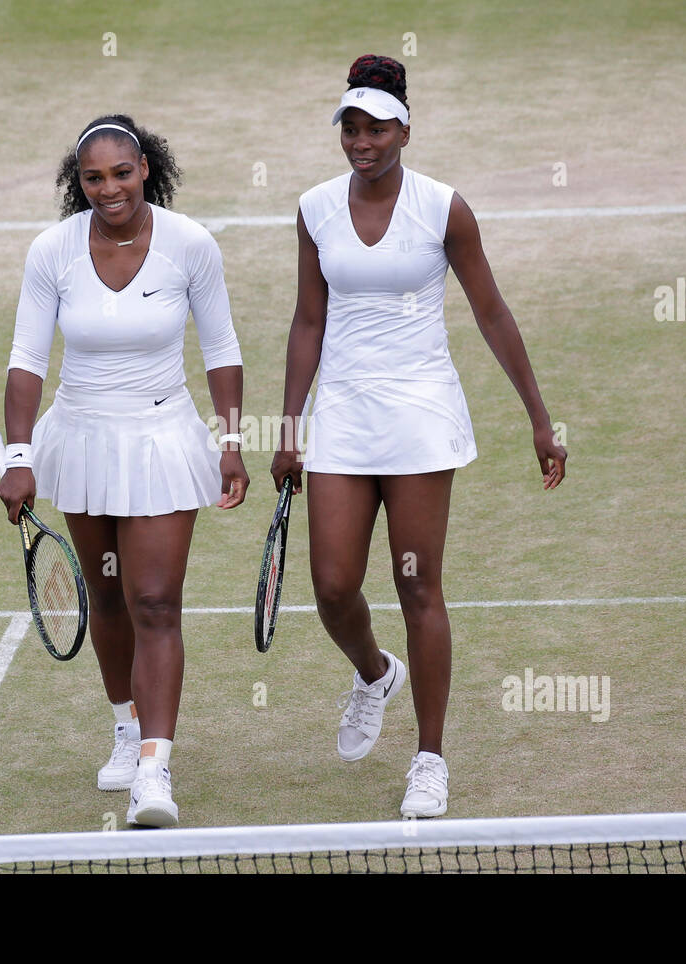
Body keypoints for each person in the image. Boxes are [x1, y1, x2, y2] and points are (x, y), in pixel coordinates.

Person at [270, 55, 566, 818]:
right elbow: (309, 320)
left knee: (416, 582)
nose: (361, 141)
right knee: (333, 585)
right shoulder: (314, 209)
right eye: (350, 128)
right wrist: (289, 425)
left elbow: (491, 313)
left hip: (420, 418)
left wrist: (540, 418)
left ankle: (429, 758)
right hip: (339, 416)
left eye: (376, 127)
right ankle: (374, 674)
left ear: (405, 127)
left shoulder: (444, 210)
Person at [0, 113, 249, 828]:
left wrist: (230, 443)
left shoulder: (191, 245)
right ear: (78, 184)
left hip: (163, 436)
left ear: (147, 168)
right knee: (106, 599)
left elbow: (223, 348)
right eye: (93, 178)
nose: (109, 189)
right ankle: (125, 725)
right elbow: (26, 360)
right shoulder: (52, 251)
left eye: (122, 173)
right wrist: (20, 458)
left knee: (156, 602)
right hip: (79, 438)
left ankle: (154, 771)